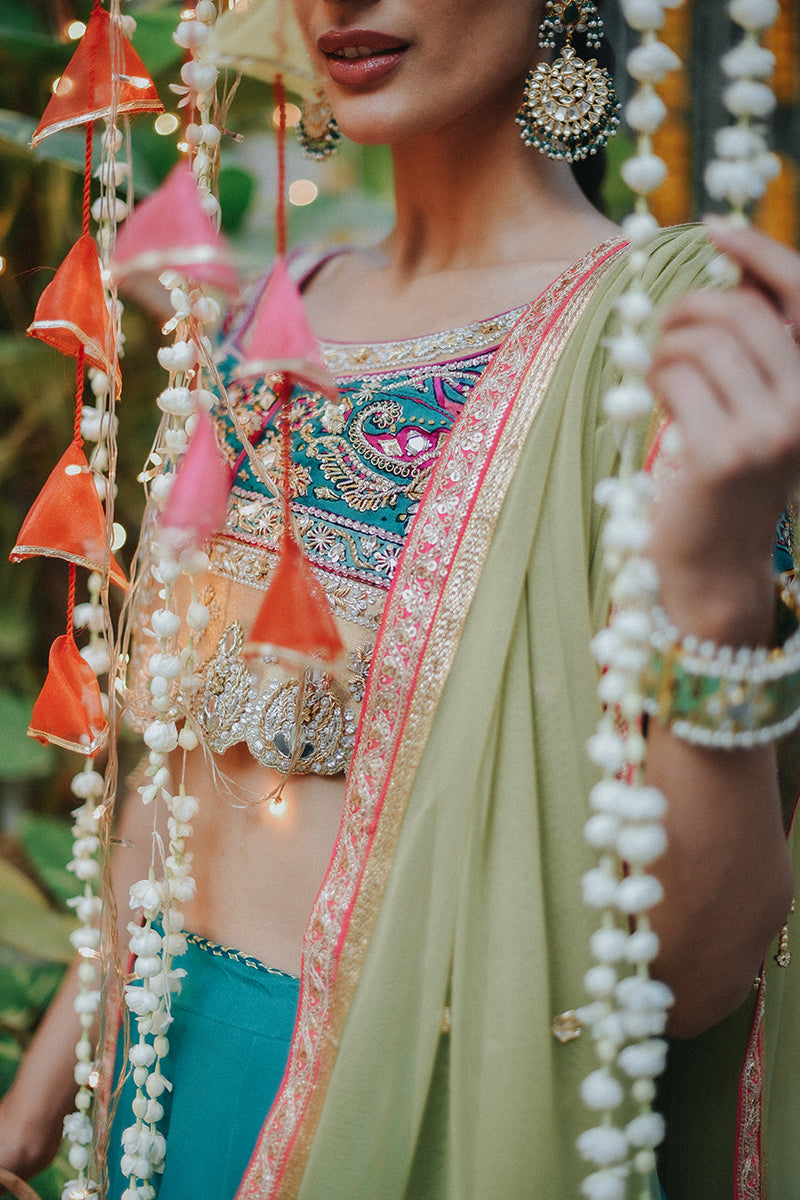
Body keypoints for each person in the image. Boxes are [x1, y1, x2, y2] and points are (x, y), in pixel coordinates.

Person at [2, 1, 799, 1197]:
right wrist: (39, 1096)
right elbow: (172, 793)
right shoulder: (280, 309)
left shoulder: (660, 341)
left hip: (425, 1107)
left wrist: (717, 600)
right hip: (159, 1081)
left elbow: (687, 981)